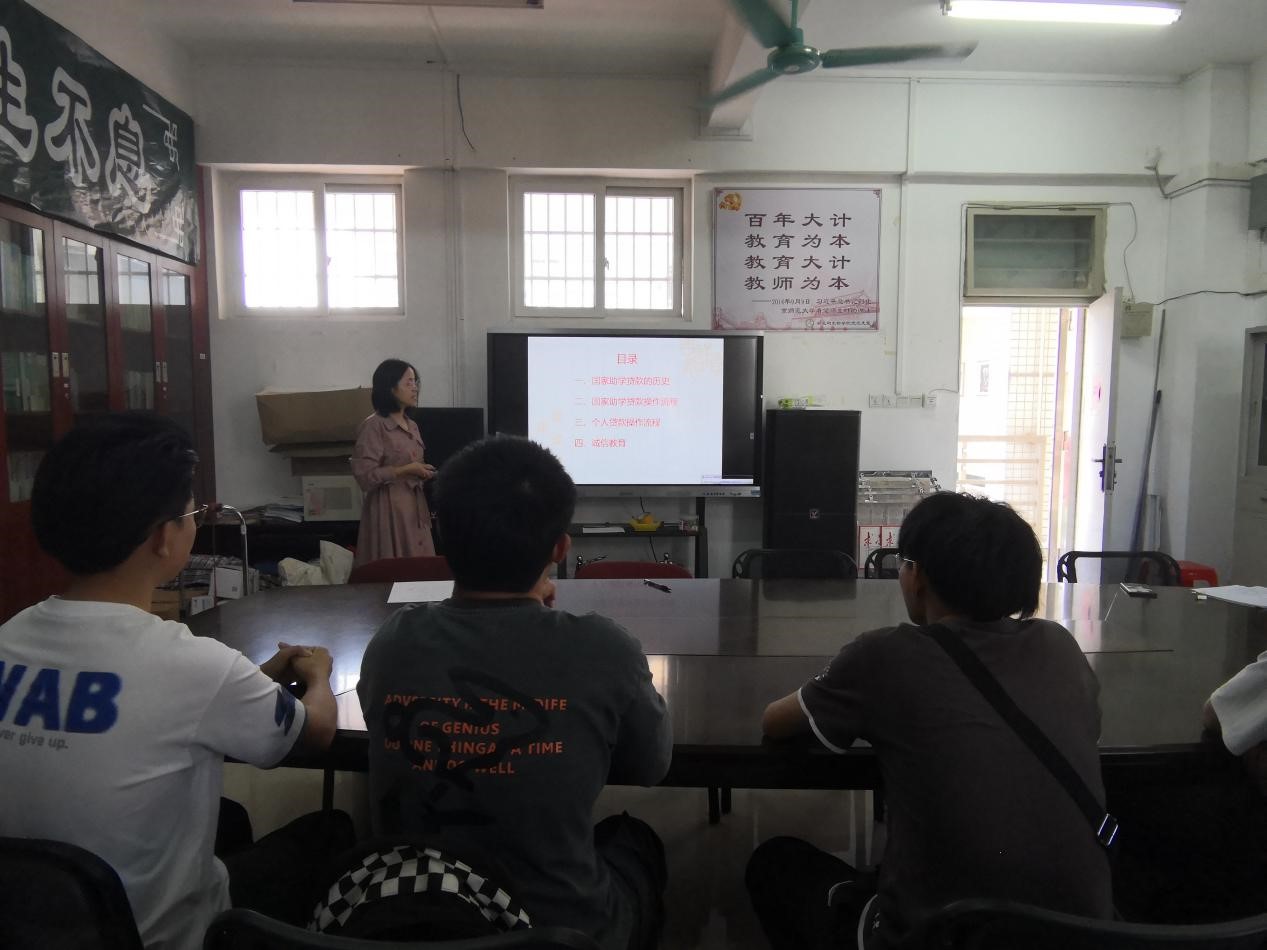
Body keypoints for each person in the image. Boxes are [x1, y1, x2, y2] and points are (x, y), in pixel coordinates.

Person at [0, 413, 348, 950]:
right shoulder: (193, 664)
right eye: (191, 513)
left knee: (229, 819)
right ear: (165, 537)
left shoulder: (9, 638)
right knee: (331, 829)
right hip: (163, 939)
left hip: (32, 925)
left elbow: (158, 708)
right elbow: (315, 732)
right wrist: (318, 675)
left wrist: (252, 681)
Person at [746, 492, 1114, 950]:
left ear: (917, 576)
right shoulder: (1059, 646)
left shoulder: (886, 654)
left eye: (904, 563)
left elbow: (775, 721)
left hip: (936, 936)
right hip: (1086, 934)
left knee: (774, 863)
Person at [357, 434, 672, 950]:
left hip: (414, 916)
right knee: (636, 841)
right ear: (560, 549)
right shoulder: (604, 649)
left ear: (442, 538)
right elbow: (651, 766)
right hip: (561, 934)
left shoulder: (394, 641)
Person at [350, 359, 436, 567]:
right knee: (393, 571)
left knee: (421, 570)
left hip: (415, 506)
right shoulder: (374, 426)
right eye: (408, 383)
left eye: (415, 382)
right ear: (390, 387)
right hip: (388, 509)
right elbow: (364, 476)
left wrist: (422, 471)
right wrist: (404, 470)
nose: (415, 388)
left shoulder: (412, 425)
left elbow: (414, 462)